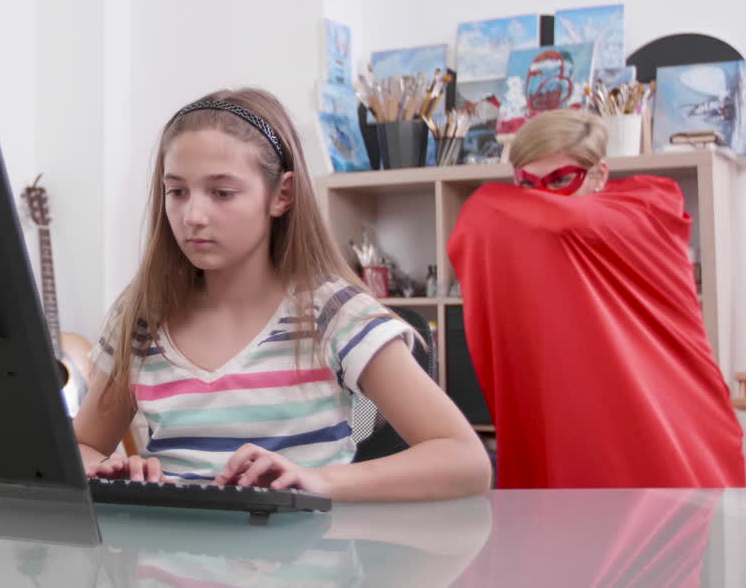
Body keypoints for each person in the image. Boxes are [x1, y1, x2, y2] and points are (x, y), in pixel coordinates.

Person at [73, 88, 491, 502]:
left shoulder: (333, 314)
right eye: (177, 191)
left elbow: (465, 461)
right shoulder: (142, 318)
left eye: (221, 192)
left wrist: (319, 481)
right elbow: (83, 445)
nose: (192, 216)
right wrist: (108, 471)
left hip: (304, 563)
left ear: (282, 195)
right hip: (165, 564)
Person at [448, 109, 745, 489]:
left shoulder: (642, 215)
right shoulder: (519, 224)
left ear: (600, 174)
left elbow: (502, 211)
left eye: (562, 180)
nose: (542, 198)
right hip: (576, 409)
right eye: (527, 184)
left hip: (667, 413)